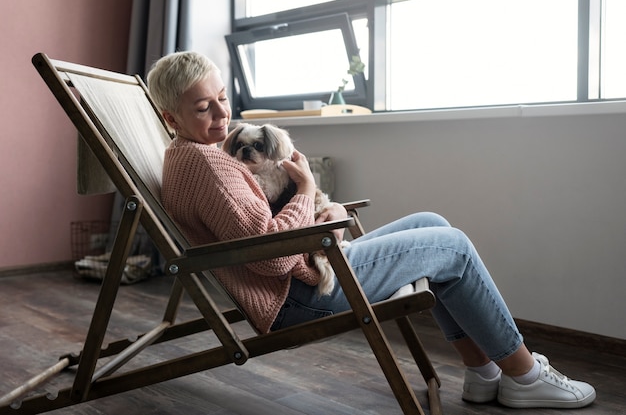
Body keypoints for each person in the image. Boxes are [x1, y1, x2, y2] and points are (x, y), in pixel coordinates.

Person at [148, 51, 596, 409]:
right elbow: (271, 256)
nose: (221, 115)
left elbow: (256, 229)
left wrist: (328, 215)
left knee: (431, 224)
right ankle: (526, 377)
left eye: (222, 98)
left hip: (305, 271)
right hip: (300, 294)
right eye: (204, 107)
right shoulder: (207, 163)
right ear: (171, 118)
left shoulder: (189, 156)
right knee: (453, 246)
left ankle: (483, 374)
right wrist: (307, 191)